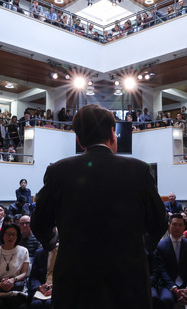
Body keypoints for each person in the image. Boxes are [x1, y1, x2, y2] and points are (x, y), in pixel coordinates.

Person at [31, 104, 167, 309]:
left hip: (74, 282)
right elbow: (159, 222)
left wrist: (56, 242)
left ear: (79, 138)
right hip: (128, 281)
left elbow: (39, 223)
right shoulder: (139, 170)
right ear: (113, 133)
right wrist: (139, 247)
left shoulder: (58, 171)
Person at [154, 214, 187, 309]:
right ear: (169, 226)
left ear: (184, 227)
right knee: (165, 300)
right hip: (168, 285)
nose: (177, 228)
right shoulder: (161, 246)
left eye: (180, 225)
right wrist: (174, 289)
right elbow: (162, 271)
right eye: (174, 224)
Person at [0, 223, 29, 309]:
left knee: (13, 303)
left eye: (13, 234)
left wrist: (12, 280)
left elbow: (24, 273)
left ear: (17, 237)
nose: (11, 237)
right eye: (8, 234)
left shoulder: (24, 251)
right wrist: (1, 285)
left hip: (16, 287)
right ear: (2, 235)